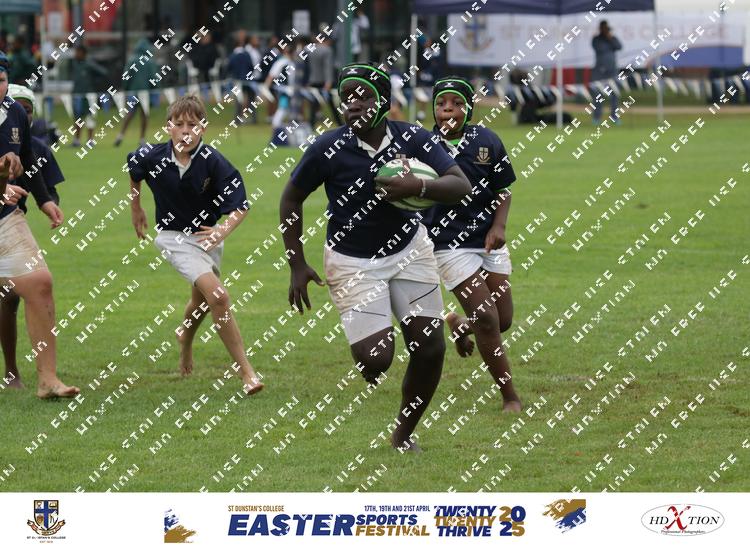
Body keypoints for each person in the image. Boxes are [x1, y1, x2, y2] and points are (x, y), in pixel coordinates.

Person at [279, 63, 471, 451]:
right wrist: (296, 262)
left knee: (430, 347)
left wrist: (417, 186)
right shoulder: (327, 147)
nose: (352, 104)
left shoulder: (412, 137)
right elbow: (290, 199)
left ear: (383, 101)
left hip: (409, 250)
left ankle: (403, 434)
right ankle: (378, 342)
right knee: (376, 360)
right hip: (351, 260)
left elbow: (460, 184)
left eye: (363, 96)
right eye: (346, 97)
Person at [126, 94, 263, 395]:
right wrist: (136, 208)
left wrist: (221, 231)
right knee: (219, 297)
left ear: (203, 128)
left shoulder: (213, 161)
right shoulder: (152, 155)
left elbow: (241, 205)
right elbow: (134, 168)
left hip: (206, 238)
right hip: (173, 238)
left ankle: (185, 338)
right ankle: (247, 372)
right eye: (179, 124)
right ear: (168, 127)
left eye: (193, 124)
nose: (185, 131)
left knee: (201, 302)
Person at [423, 76, 522, 412]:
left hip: (489, 241)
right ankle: (510, 397)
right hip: (448, 244)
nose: (447, 109)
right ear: (433, 109)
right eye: (441, 103)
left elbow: (503, 190)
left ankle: (460, 325)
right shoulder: (423, 147)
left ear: (469, 109)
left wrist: (499, 226)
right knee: (489, 321)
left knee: (502, 320)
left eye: (456, 103)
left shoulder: (487, 141)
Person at [0, 54, 78, 398]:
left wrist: (45, 200)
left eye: (1, 79)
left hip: (5, 217)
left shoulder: (15, 113)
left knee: (39, 281)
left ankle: (47, 380)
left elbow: (29, 157)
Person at [114, 39, 157, 147]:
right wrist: (155, 89)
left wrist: (126, 88)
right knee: (144, 115)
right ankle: (142, 138)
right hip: (145, 92)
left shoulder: (131, 60)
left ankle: (120, 135)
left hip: (132, 92)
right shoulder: (150, 61)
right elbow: (154, 78)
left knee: (129, 114)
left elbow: (126, 76)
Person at [70, 45, 107, 147]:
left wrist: (94, 82)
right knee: (77, 118)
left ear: (83, 53)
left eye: (78, 52)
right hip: (77, 95)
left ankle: (90, 140)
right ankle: (76, 140)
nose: (76, 54)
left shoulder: (89, 64)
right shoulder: (75, 64)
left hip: (89, 96)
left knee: (90, 117)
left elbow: (103, 72)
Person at [307, 27, 341, 127]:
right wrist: (329, 81)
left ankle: (311, 124)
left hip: (313, 80)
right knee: (331, 104)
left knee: (314, 104)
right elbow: (328, 67)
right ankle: (340, 123)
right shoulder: (327, 50)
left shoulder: (311, 50)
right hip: (323, 81)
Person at [591, 20, 622, 125]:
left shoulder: (612, 38)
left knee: (614, 94)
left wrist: (609, 37)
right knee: (598, 94)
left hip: (612, 71)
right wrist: (607, 40)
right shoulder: (596, 39)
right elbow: (600, 49)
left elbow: (619, 46)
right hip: (600, 71)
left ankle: (614, 117)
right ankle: (597, 117)